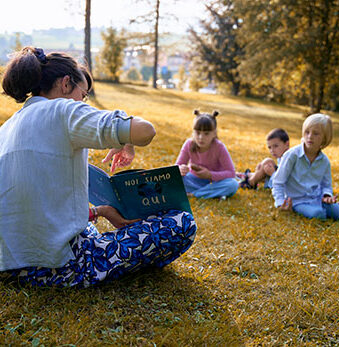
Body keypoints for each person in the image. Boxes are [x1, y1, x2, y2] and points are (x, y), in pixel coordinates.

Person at [0, 47, 196, 288]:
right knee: (182, 223)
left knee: (90, 229)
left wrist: (101, 210)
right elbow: (146, 131)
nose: (83, 103)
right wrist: (126, 139)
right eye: (83, 95)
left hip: (11, 265)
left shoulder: (7, 128)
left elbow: (38, 204)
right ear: (65, 84)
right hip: (60, 267)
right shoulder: (63, 110)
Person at [272, 113, 339, 220]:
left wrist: (327, 196)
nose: (310, 136)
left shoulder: (324, 161)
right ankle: (331, 209)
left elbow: (326, 185)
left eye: (316, 134)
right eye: (307, 132)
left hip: (318, 199)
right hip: (297, 201)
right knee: (318, 214)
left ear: (325, 138)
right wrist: (280, 203)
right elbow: (278, 182)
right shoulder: (292, 155)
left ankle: (336, 208)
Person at [176, 109, 239, 199]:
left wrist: (210, 175)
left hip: (214, 183)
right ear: (193, 132)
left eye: (206, 134)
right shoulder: (189, 144)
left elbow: (231, 173)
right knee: (174, 180)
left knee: (232, 184)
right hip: (192, 181)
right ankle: (210, 193)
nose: (201, 138)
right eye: (198, 133)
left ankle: (195, 194)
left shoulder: (219, 147)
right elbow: (176, 167)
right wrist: (180, 169)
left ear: (214, 133)